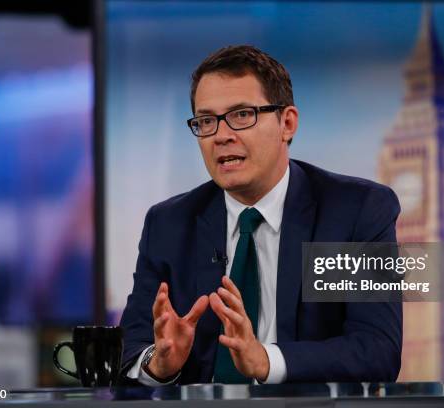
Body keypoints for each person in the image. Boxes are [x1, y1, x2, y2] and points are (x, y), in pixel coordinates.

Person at [120, 45, 402, 385]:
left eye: (242, 115)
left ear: (287, 123)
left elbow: (375, 350)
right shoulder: (169, 224)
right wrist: (160, 364)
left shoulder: (353, 213)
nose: (222, 136)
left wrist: (265, 359)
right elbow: (131, 350)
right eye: (207, 121)